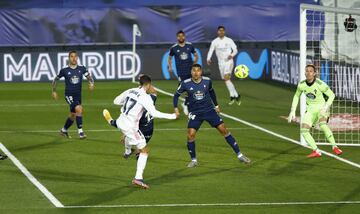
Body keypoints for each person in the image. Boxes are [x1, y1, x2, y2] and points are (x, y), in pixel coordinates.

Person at [103, 75, 178, 189]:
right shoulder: (145, 97)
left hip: (121, 120)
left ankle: (127, 150)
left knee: (125, 134)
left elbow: (116, 101)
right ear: (148, 85)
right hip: (131, 127)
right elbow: (154, 113)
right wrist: (173, 116)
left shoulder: (130, 90)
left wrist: (128, 105)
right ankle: (138, 178)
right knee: (144, 151)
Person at [173, 64, 251, 168]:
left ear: (201, 72)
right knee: (190, 135)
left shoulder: (207, 81)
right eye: (194, 71)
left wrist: (217, 105)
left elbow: (212, 92)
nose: (196, 73)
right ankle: (194, 160)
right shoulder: (185, 83)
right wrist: (176, 108)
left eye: (198, 71)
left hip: (209, 111)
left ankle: (240, 155)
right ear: (191, 72)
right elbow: (176, 95)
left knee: (224, 130)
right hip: (195, 113)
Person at [288, 64, 342, 158]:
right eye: (307, 71)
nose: (308, 73)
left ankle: (335, 147)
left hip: (322, 108)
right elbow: (296, 96)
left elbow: (332, 95)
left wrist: (325, 107)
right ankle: (316, 151)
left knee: (323, 125)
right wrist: (292, 110)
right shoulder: (301, 85)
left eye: (310, 71)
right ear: (304, 72)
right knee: (304, 130)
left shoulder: (320, 84)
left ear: (314, 73)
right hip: (310, 109)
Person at [52, 50, 94, 139]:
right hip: (69, 95)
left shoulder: (82, 68)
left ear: (77, 58)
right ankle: (81, 132)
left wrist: (91, 84)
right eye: (72, 56)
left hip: (78, 95)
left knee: (73, 114)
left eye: (75, 56)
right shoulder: (64, 70)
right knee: (79, 109)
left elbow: (89, 78)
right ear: (69, 58)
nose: (74, 58)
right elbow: (55, 79)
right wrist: (54, 91)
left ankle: (63, 130)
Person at [207, 26, 241, 105]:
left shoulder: (229, 40)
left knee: (226, 78)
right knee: (226, 80)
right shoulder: (215, 41)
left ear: (224, 32)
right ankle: (235, 95)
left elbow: (235, 50)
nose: (221, 32)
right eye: (220, 31)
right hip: (220, 63)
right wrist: (208, 58)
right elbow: (211, 50)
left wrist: (232, 55)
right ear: (217, 32)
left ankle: (233, 96)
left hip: (228, 62)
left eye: (222, 31)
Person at [168, 30, 198, 115]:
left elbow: (196, 55)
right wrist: (170, 66)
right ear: (177, 37)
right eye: (179, 36)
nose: (181, 37)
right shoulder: (174, 48)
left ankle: (186, 104)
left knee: (190, 89)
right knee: (184, 89)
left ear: (184, 36)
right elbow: (170, 58)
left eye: (182, 36)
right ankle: (185, 104)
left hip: (190, 71)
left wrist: (194, 64)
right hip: (181, 72)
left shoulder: (190, 46)